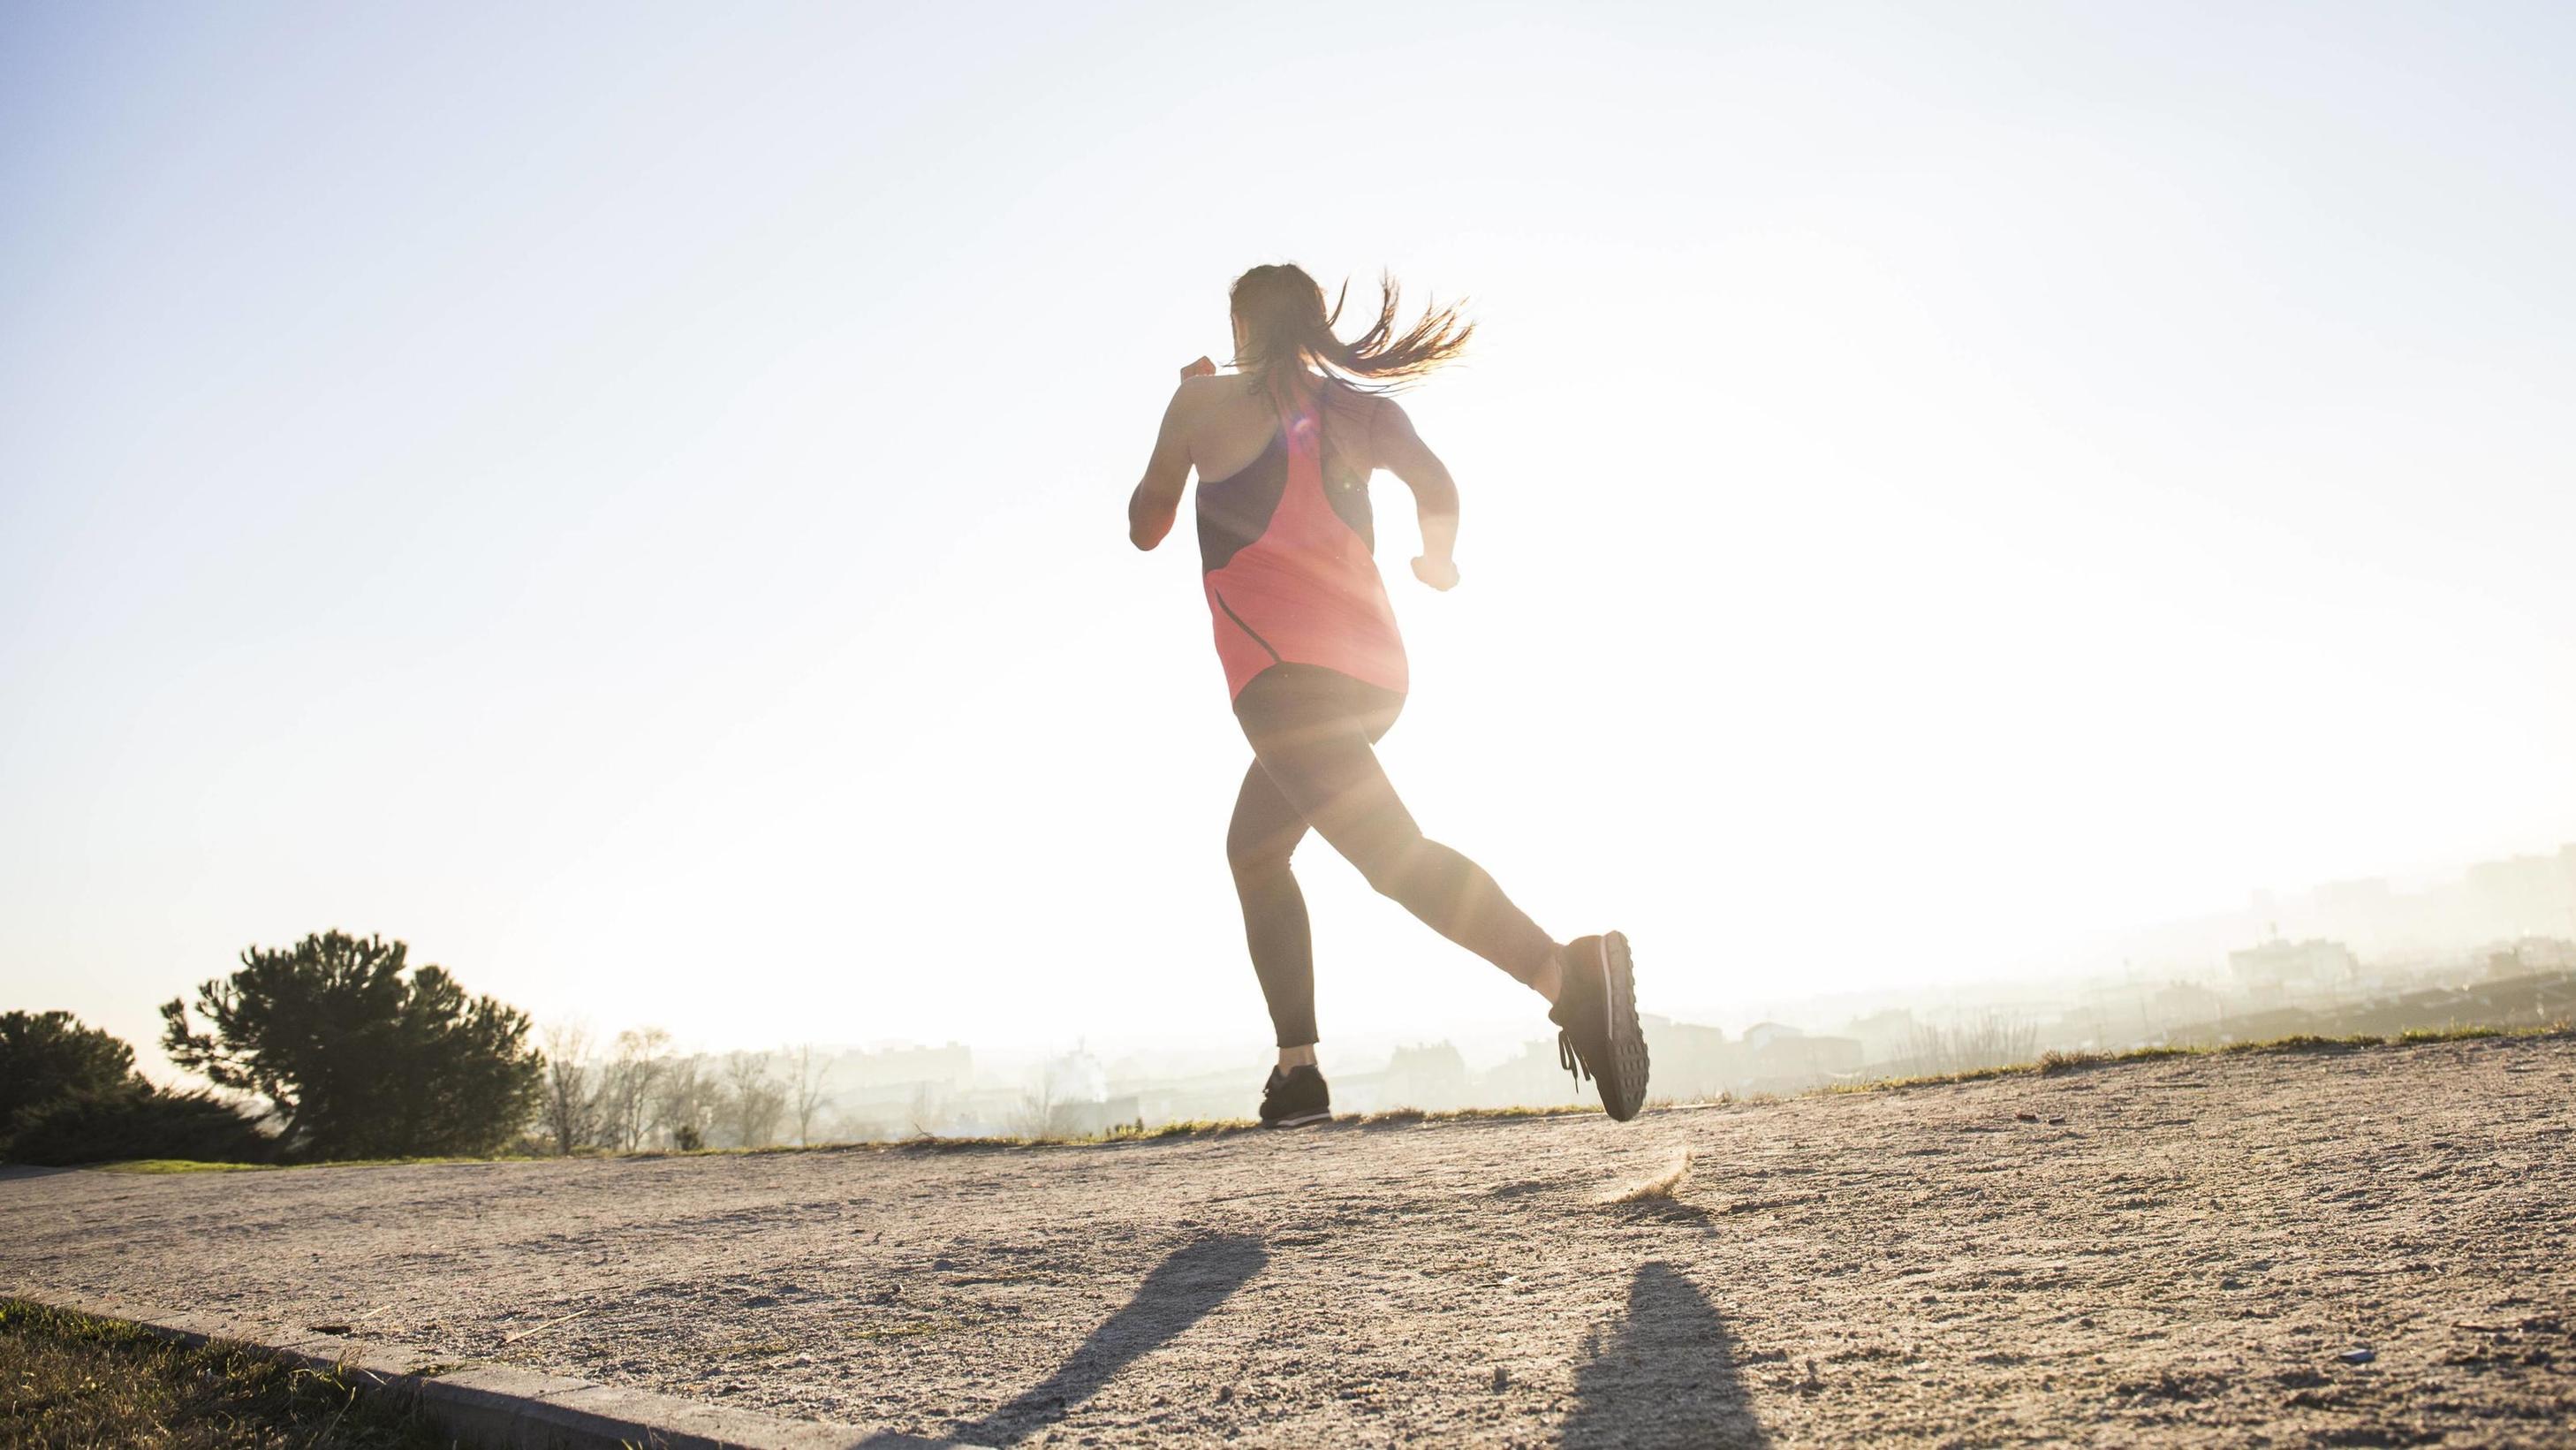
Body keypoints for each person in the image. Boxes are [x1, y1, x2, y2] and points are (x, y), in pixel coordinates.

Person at [1125, 262, 1648, 1127]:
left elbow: (1146, 526)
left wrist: (1182, 413)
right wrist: (1437, 559)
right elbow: (1435, 485)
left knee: (1390, 855)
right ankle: (1297, 1073)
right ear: (1315, 323)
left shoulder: (1205, 403)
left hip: (1279, 678)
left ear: (1242, 329)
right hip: (1374, 676)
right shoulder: (1362, 411)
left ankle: (1568, 975)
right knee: (1255, 851)